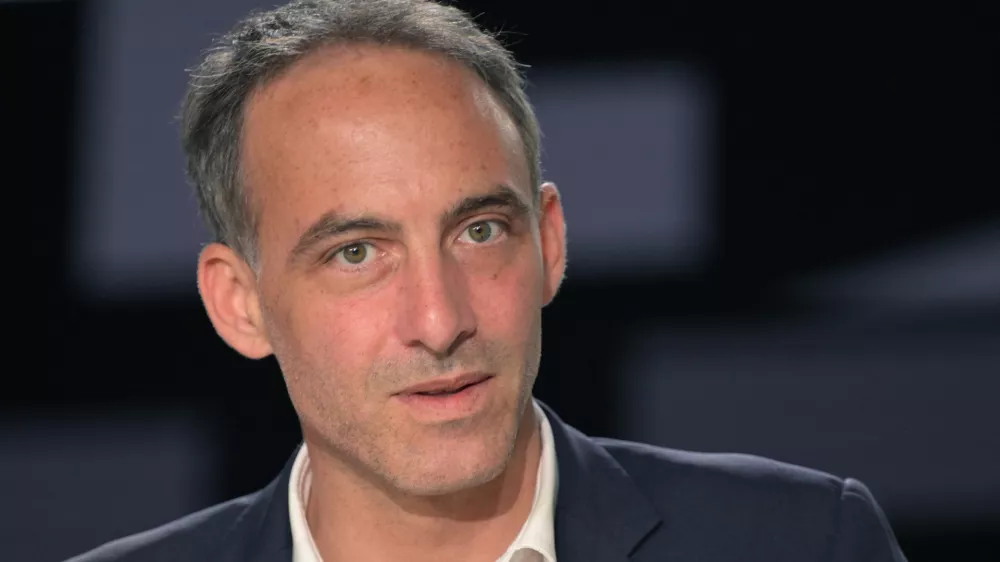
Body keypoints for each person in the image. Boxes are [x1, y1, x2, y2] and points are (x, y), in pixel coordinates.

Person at [67, 1, 908, 561]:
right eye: (357, 253)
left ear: (549, 241)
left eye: (479, 232)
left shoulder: (800, 542)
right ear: (239, 304)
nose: (440, 321)